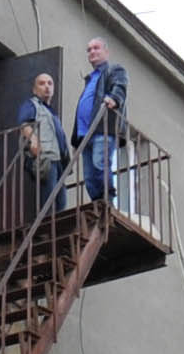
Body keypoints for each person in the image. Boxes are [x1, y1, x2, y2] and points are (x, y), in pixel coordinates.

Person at [71, 37, 131, 217]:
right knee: (89, 176)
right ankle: (98, 205)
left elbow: (120, 85)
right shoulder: (90, 79)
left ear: (106, 51)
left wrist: (114, 98)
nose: (92, 52)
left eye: (96, 48)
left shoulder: (114, 70)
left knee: (99, 164)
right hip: (85, 134)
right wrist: (75, 141)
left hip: (103, 128)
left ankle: (107, 202)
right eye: (89, 49)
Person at [15, 66, 66, 226]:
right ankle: (45, 230)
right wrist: (35, 146)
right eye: (42, 83)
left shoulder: (50, 112)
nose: (47, 86)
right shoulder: (31, 105)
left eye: (50, 83)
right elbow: (25, 124)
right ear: (35, 88)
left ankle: (56, 231)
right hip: (46, 158)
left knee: (61, 203)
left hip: (58, 161)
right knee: (48, 200)